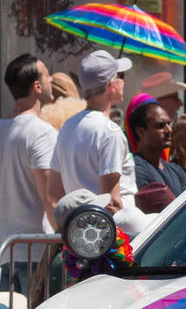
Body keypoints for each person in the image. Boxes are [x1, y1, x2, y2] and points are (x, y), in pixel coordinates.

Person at [50, 50, 149, 236]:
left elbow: (54, 193)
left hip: (83, 235)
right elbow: (113, 202)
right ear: (111, 85)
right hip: (113, 237)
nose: (123, 82)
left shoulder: (67, 128)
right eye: (120, 77)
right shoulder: (109, 132)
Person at [0, 54, 57, 291]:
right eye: (47, 75)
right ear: (37, 86)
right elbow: (50, 198)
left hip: (3, 251)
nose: (52, 79)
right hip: (34, 253)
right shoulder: (42, 133)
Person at [128, 98, 185, 196]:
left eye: (169, 124)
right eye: (161, 125)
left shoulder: (176, 170)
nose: (169, 130)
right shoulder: (135, 170)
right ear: (141, 131)